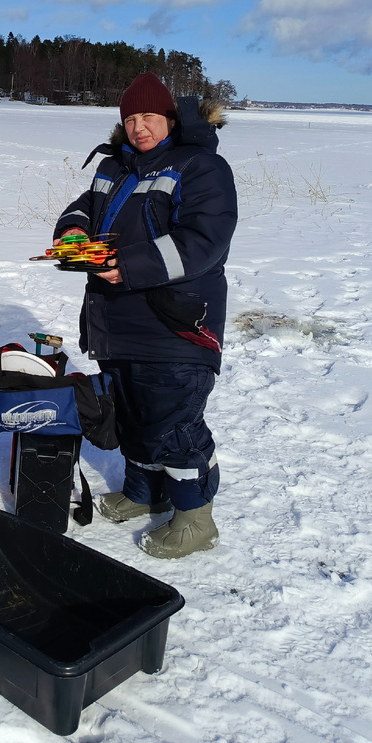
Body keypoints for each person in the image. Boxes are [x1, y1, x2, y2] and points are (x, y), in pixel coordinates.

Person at [54, 72, 237, 558]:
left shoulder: (200, 166)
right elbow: (84, 209)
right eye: (131, 118)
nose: (139, 127)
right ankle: (143, 491)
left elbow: (204, 242)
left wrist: (126, 265)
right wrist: (72, 235)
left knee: (173, 422)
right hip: (115, 323)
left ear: (171, 118)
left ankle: (195, 517)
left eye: (150, 117)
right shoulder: (114, 167)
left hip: (173, 326)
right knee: (133, 413)